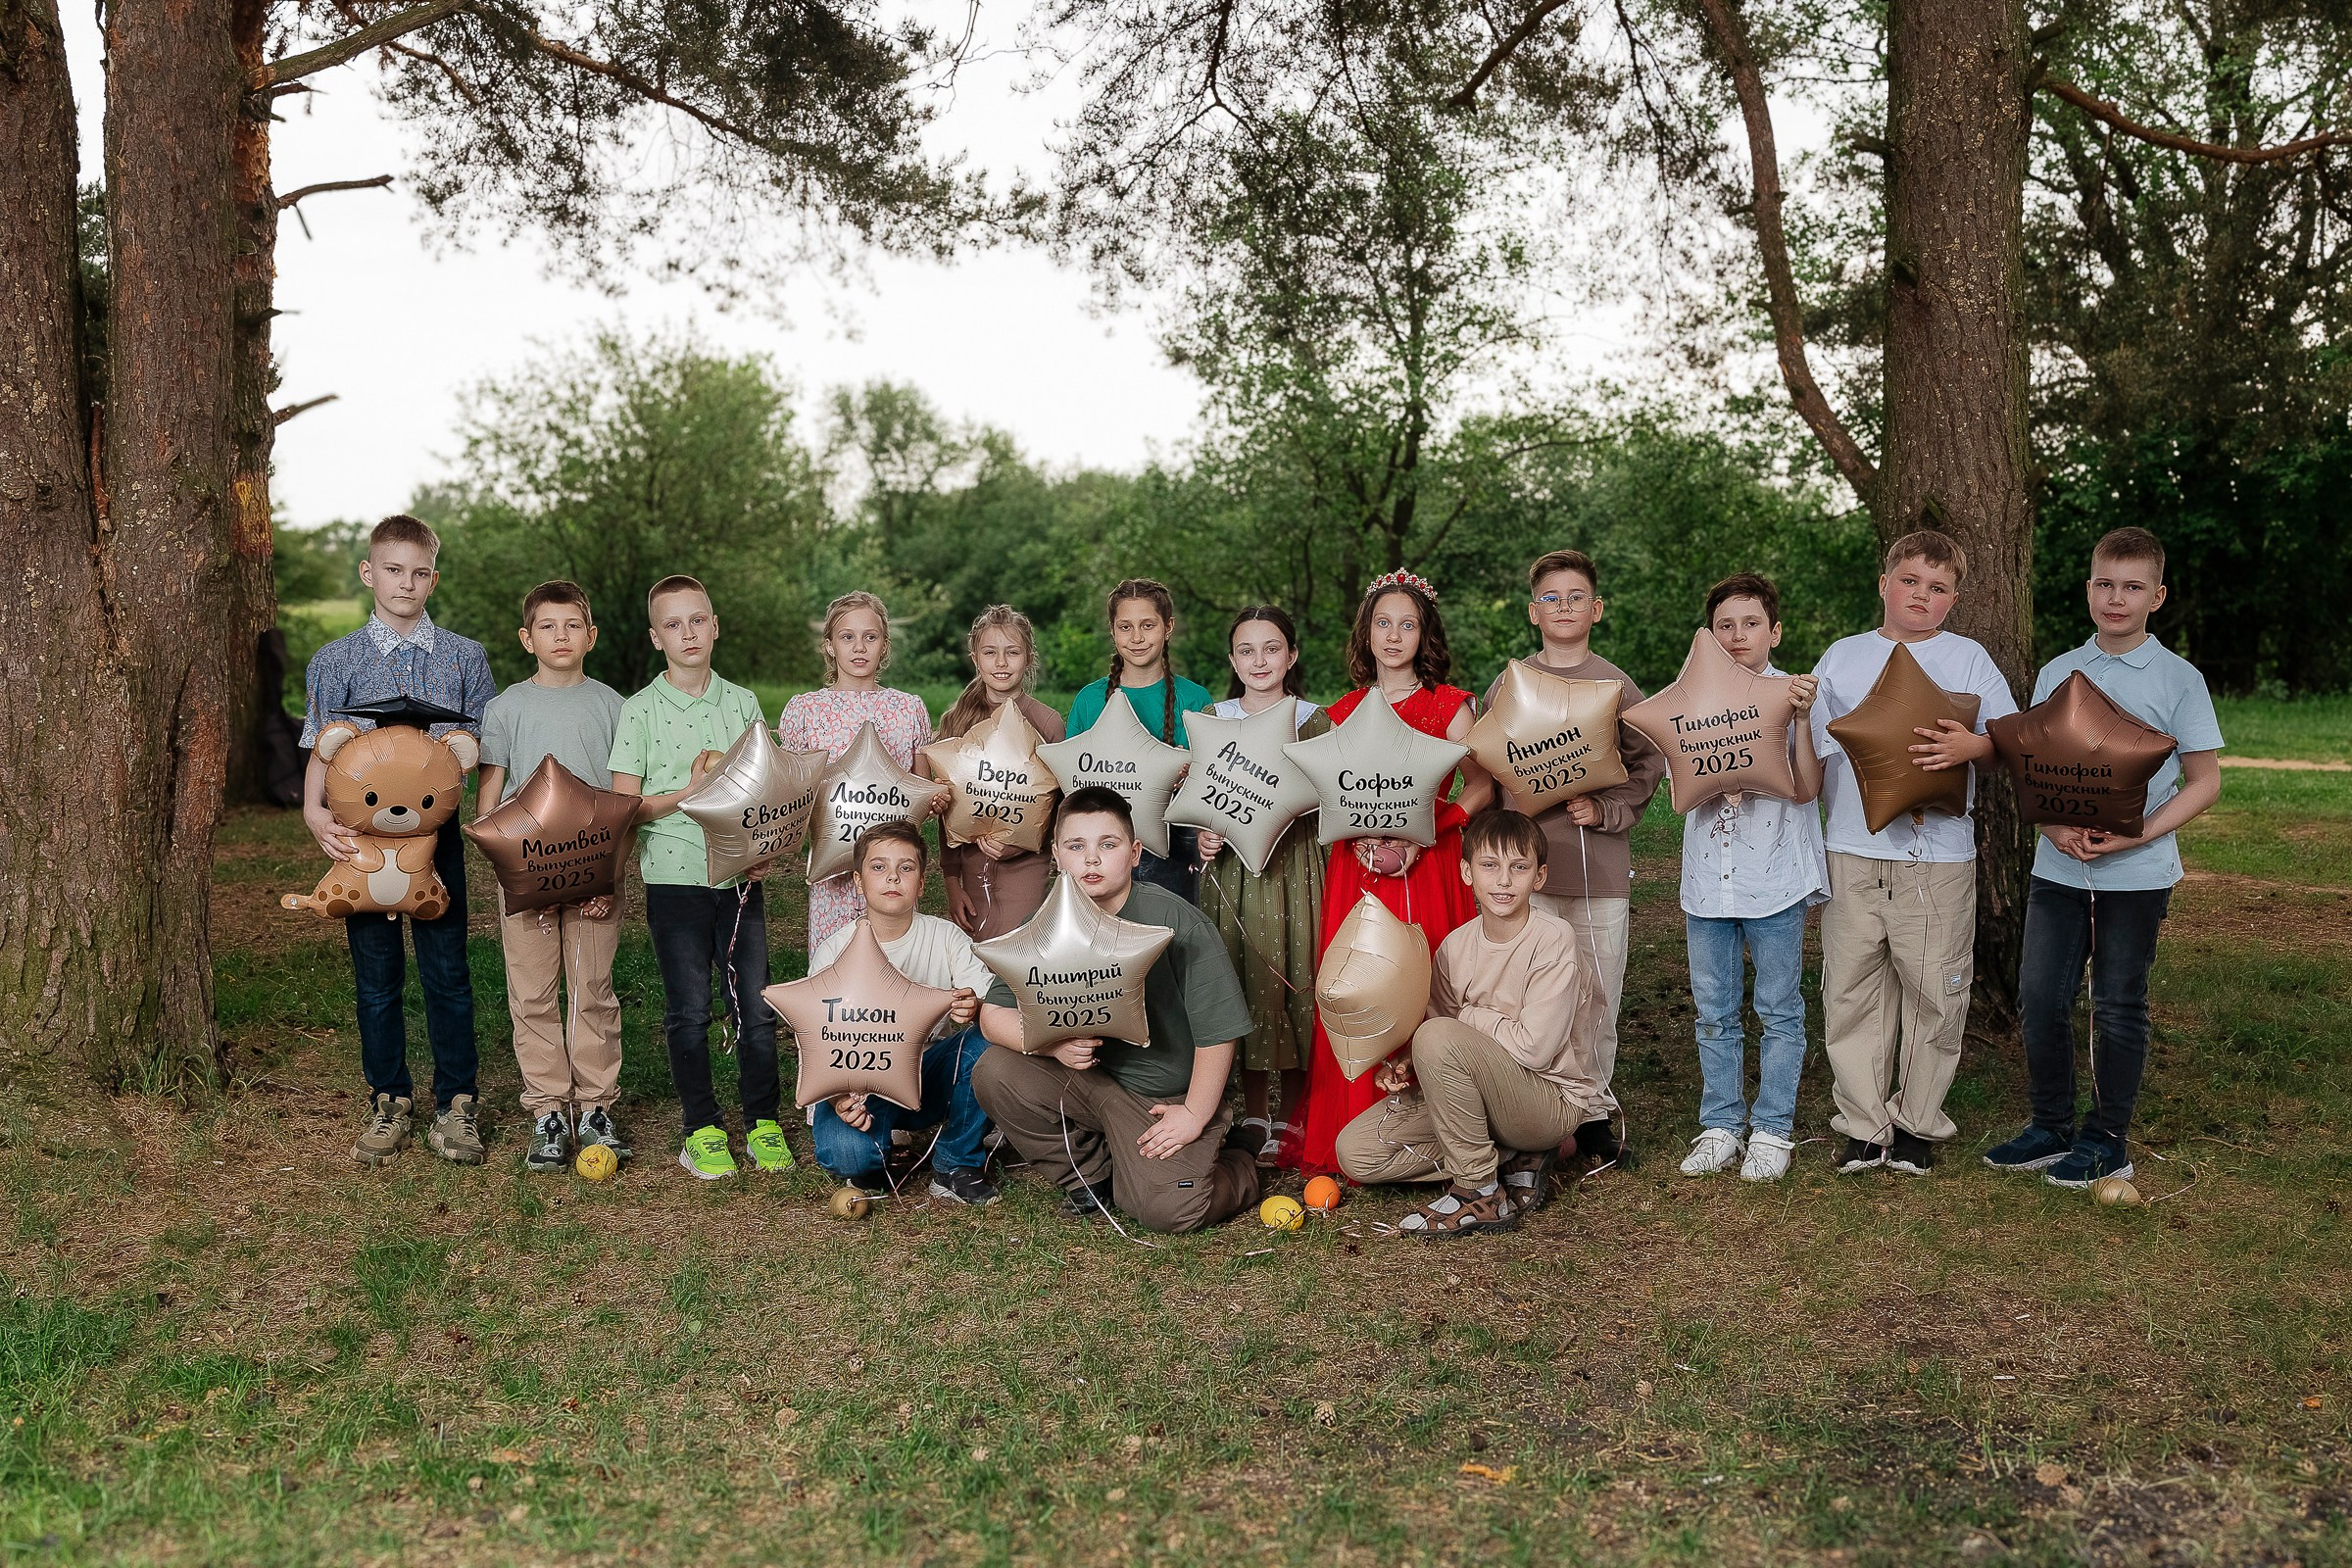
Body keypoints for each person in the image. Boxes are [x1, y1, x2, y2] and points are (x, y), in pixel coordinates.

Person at [1984, 528, 2222, 1191]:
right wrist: (2056, 827)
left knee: (2117, 1003)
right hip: (2056, 870)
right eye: (2105, 584)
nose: (2117, 598)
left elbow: (2205, 781)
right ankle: (2049, 1126)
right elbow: (2034, 766)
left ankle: (2108, 1140)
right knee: (2039, 995)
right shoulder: (2059, 670)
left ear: (2157, 596)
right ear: (2089, 588)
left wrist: (2136, 835)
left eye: (2133, 587)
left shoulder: (2179, 678)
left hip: (2137, 876)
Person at [1811, 530, 2019, 1175]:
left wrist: (1971, 749)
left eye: (1937, 588)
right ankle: (1863, 1125)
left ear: (1955, 598)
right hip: (1852, 848)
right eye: (1909, 581)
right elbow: (1815, 753)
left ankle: (1918, 1123)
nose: (1921, 597)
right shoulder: (1841, 658)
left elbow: (2008, 738)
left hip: (1939, 858)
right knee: (1851, 989)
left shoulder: (1969, 660)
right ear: (1884, 584)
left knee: (1935, 988)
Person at [971, 788, 1263, 1233]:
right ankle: (1092, 1178)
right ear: (1056, 856)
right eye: (1076, 846)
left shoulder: (1176, 922)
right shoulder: (1046, 926)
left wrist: (1195, 1114)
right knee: (993, 1071)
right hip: (1087, 1081)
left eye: (1107, 845)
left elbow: (1219, 1029)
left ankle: (1239, 1158)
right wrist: (1054, 1047)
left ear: (1134, 853)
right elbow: (993, 1017)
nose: (1091, 860)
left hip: (1161, 1100)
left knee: (1169, 1210)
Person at [1460, 549, 1664, 1171]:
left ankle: (1595, 1111)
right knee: (1530, 995)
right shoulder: (1512, 682)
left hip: (1597, 869)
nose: (1565, 608)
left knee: (1597, 991)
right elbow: (1487, 760)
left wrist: (1606, 810)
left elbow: (1648, 760)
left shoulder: (1615, 684)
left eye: (1577, 597)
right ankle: (1538, 1114)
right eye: (1551, 599)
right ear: (1532, 613)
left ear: (1596, 610)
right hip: (1525, 874)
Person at [303, 514, 497, 1168]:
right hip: (360, 849)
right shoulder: (336, 662)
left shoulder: (464, 657)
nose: (405, 583)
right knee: (377, 978)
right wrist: (312, 815)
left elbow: (482, 750)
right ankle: (389, 1098)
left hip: (434, 845)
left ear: (433, 578)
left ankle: (457, 1102)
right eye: (393, 570)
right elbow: (320, 752)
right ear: (369, 572)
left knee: (448, 973)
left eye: (418, 573)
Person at [1294, 571, 1487, 1178]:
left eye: (1408, 623)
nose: (1395, 634)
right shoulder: (1342, 713)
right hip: (1361, 871)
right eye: (1384, 623)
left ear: (1424, 632)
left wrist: (1427, 830)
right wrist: (1366, 839)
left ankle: (1442, 1130)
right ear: (1367, 634)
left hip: (1429, 869)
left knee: (1429, 987)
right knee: (1360, 985)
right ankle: (1354, 1126)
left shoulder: (1451, 707)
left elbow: (1483, 784)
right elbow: (1327, 794)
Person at [1335, 809, 1601, 1235]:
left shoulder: (1553, 939)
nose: (1503, 881)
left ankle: (1479, 1189)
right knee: (1356, 1152)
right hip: (1484, 1098)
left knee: (1439, 1035)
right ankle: (1507, 1157)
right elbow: (1441, 1035)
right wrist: (1406, 1063)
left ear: (1540, 876)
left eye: (1519, 867)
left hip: (1548, 1100)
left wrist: (1469, 1016)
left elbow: (1534, 1047)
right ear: (1466, 872)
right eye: (1489, 866)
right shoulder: (1455, 947)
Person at [610, 575, 792, 1180]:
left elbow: (761, 787)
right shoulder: (639, 711)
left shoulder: (740, 702)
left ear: (714, 626)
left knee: (756, 1006)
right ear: (656, 637)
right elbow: (625, 807)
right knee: (690, 1009)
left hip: (739, 879)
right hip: (676, 879)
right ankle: (702, 1128)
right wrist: (687, 793)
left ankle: (762, 1120)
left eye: (697, 620)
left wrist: (764, 844)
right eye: (673, 624)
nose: (687, 633)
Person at [1674, 575, 1827, 1184]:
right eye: (1725, 626)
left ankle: (1773, 1128)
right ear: (1710, 635)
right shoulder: (1687, 698)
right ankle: (1720, 1124)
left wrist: (1802, 723)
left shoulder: (1795, 696)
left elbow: (1810, 787)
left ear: (1775, 631)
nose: (1738, 637)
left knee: (1779, 1007)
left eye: (1751, 624)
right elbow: (1678, 781)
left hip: (1774, 878)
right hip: (1709, 881)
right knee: (1713, 1009)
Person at [475, 580, 629, 1174]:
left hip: (595, 876)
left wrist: (608, 877)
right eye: (547, 626)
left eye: (572, 626)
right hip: (527, 880)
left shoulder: (613, 706)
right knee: (533, 993)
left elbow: (622, 802)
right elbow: (490, 803)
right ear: (526, 637)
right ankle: (546, 1108)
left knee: (591, 989)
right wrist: (515, 879)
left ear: (590, 636)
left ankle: (595, 1106)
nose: (560, 637)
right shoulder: (506, 707)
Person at [808, 823, 1028, 1205]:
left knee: (991, 1038)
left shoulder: (946, 938)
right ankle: (879, 1150)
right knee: (848, 1156)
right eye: (878, 867)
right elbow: (814, 1042)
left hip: (929, 1073)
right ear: (859, 882)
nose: (892, 877)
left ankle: (956, 1162)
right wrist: (837, 1099)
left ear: (922, 884)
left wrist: (973, 1007)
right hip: (864, 1079)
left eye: (905, 868)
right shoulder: (834, 951)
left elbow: (993, 1003)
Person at [1193, 606, 1328, 1165]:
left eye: (1271, 648)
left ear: (1291, 656)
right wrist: (1204, 835)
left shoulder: (1315, 720)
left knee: (1298, 977)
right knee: (1239, 977)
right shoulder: (1213, 718)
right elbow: (1203, 792)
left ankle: (1296, 1111)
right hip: (1232, 875)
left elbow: (1333, 799)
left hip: (1294, 868)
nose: (1259, 660)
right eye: (1247, 650)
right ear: (1233, 660)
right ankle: (1252, 1112)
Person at [777, 591, 936, 954]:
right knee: (835, 966)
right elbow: (790, 792)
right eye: (847, 637)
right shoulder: (806, 710)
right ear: (830, 645)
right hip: (831, 873)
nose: (859, 647)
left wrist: (937, 797)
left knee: (895, 963)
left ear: (884, 645)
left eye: (871, 636)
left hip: (893, 870)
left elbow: (922, 788)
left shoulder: (907, 709)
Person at [1064, 578, 1215, 903]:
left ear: (1168, 627)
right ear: (1112, 630)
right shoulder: (1090, 701)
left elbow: (1213, 782)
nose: (1136, 638)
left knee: (1171, 938)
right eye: (1125, 627)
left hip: (1176, 850)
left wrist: (1190, 773)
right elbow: (1071, 788)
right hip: (1102, 853)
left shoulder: (1195, 698)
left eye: (1148, 625)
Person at [929, 605, 1067, 940]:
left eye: (1012, 652)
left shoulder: (1048, 724)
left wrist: (1020, 847)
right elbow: (946, 815)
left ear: (1028, 657)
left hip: (1026, 868)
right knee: (974, 963)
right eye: (990, 652)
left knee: (1015, 954)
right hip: (971, 868)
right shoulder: (955, 723)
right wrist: (951, 881)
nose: (1001, 663)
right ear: (975, 657)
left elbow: (1061, 807)